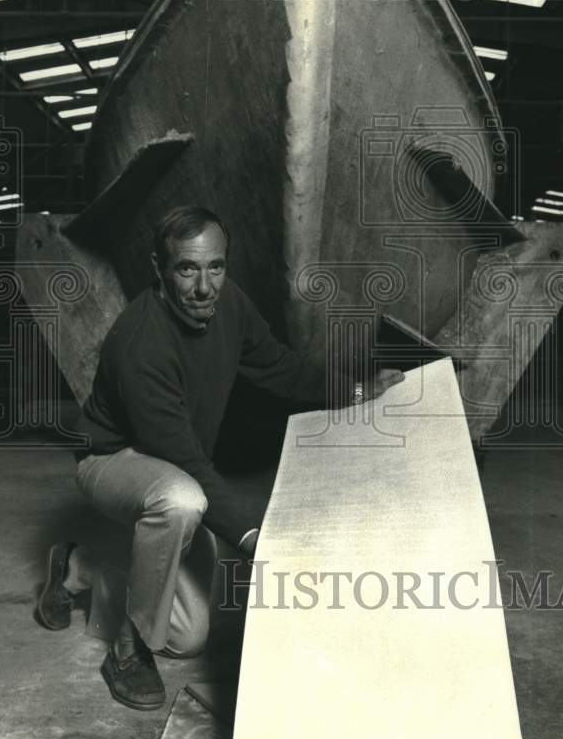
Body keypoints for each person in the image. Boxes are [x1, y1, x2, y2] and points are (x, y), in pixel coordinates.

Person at [35, 205, 403, 710]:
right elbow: (185, 462)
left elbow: (283, 370)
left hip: (174, 469)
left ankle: (76, 568)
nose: (205, 286)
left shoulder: (228, 304)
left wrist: (359, 389)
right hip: (113, 459)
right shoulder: (141, 342)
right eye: (187, 269)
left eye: (216, 267)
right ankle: (127, 650)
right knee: (183, 500)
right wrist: (256, 537)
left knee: (186, 638)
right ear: (159, 270)